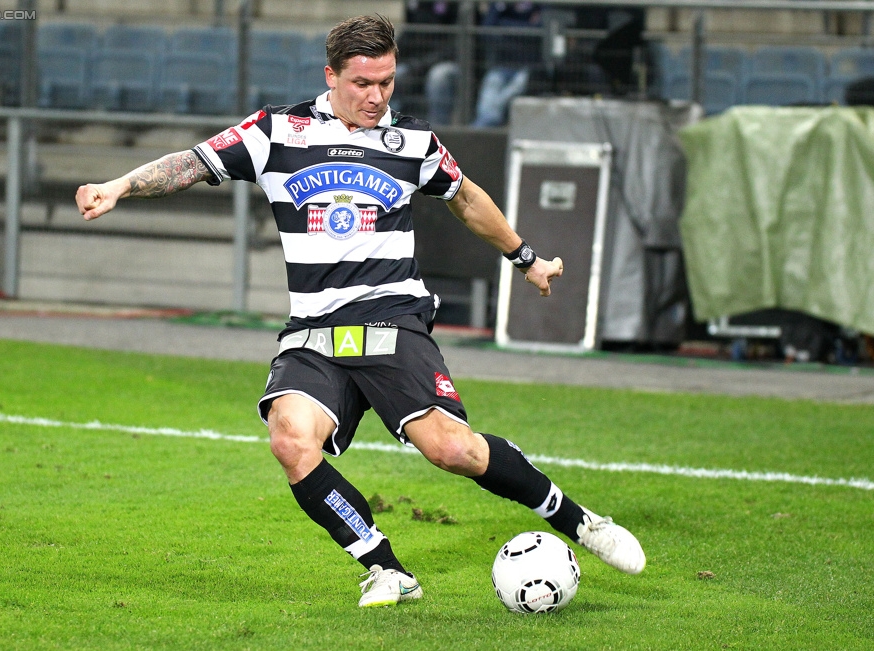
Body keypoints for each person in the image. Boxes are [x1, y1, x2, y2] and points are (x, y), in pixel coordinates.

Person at [76, 14, 645, 608]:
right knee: (292, 440)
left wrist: (524, 257)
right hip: (314, 328)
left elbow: (467, 197)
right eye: (363, 84)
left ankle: (580, 522)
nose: (377, 98)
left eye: (387, 83)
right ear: (332, 76)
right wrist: (118, 186)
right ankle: (385, 567)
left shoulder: (414, 142)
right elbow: (191, 162)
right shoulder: (278, 132)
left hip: (390, 317)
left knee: (454, 451)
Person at [392, 1, 463, 126]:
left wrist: (422, 64)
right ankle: (392, 126)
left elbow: (455, 45)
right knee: (393, 74)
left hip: (448, 62)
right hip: (417, 63)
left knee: (438, 77)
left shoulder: (457, 7)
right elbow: (408, 35)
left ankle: (436, 131)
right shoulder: (417, 5)